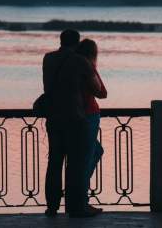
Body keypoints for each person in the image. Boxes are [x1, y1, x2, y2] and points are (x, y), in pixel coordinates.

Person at [42, 29, 102, 218]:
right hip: (75, 119)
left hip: (53, 117)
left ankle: (52, 207)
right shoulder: (80, 61)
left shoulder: (48, 58)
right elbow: (98, 90)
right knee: (76, 164)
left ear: (61, 41)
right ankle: (77, 207)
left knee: (54, 162)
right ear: (76, 43)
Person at [75, 39, 107, 196]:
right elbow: (103, 92)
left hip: (77, 115)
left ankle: (77, 191)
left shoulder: (72, 66)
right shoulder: (88, 67)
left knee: (93, 152)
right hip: (90, 114)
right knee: (87, 157)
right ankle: (81, 196)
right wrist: (94, 69)